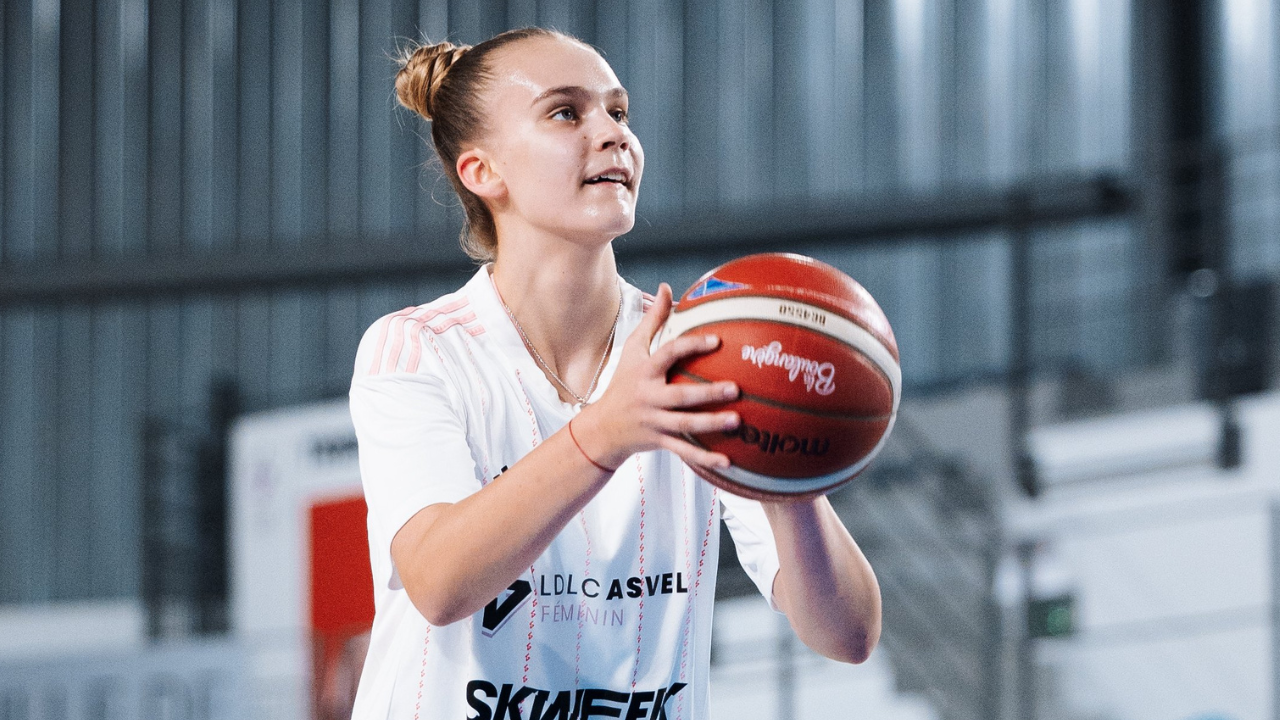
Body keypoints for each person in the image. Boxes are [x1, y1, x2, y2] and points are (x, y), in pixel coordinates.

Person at [348, 27, 881, 720]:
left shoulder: (704, 355)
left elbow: (847, 634)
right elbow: (440, 581)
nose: (613, 134)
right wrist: (605, 431)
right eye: (566, 112)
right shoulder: (417, 350)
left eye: (619, 112)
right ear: (482, 172)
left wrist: (788, 471)